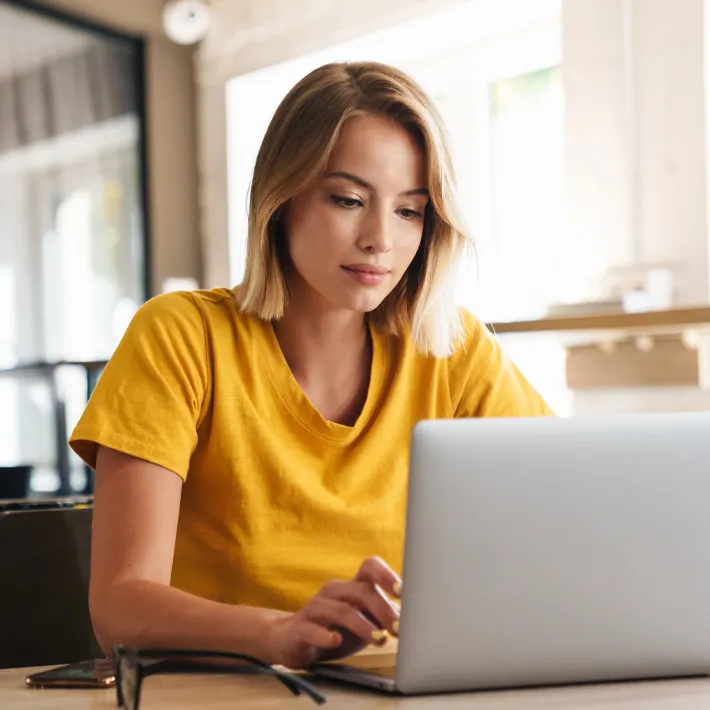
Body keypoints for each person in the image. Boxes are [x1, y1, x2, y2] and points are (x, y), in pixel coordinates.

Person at [69, 60, 552, 671]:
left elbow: (569, 520)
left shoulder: (453, 350)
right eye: (349, 199)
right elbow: (120, 609)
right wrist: (279, 633)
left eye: (409, 210)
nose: (381, 238)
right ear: (280, 199)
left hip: (401, 687)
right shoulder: (181, 336)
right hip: (226, 692)